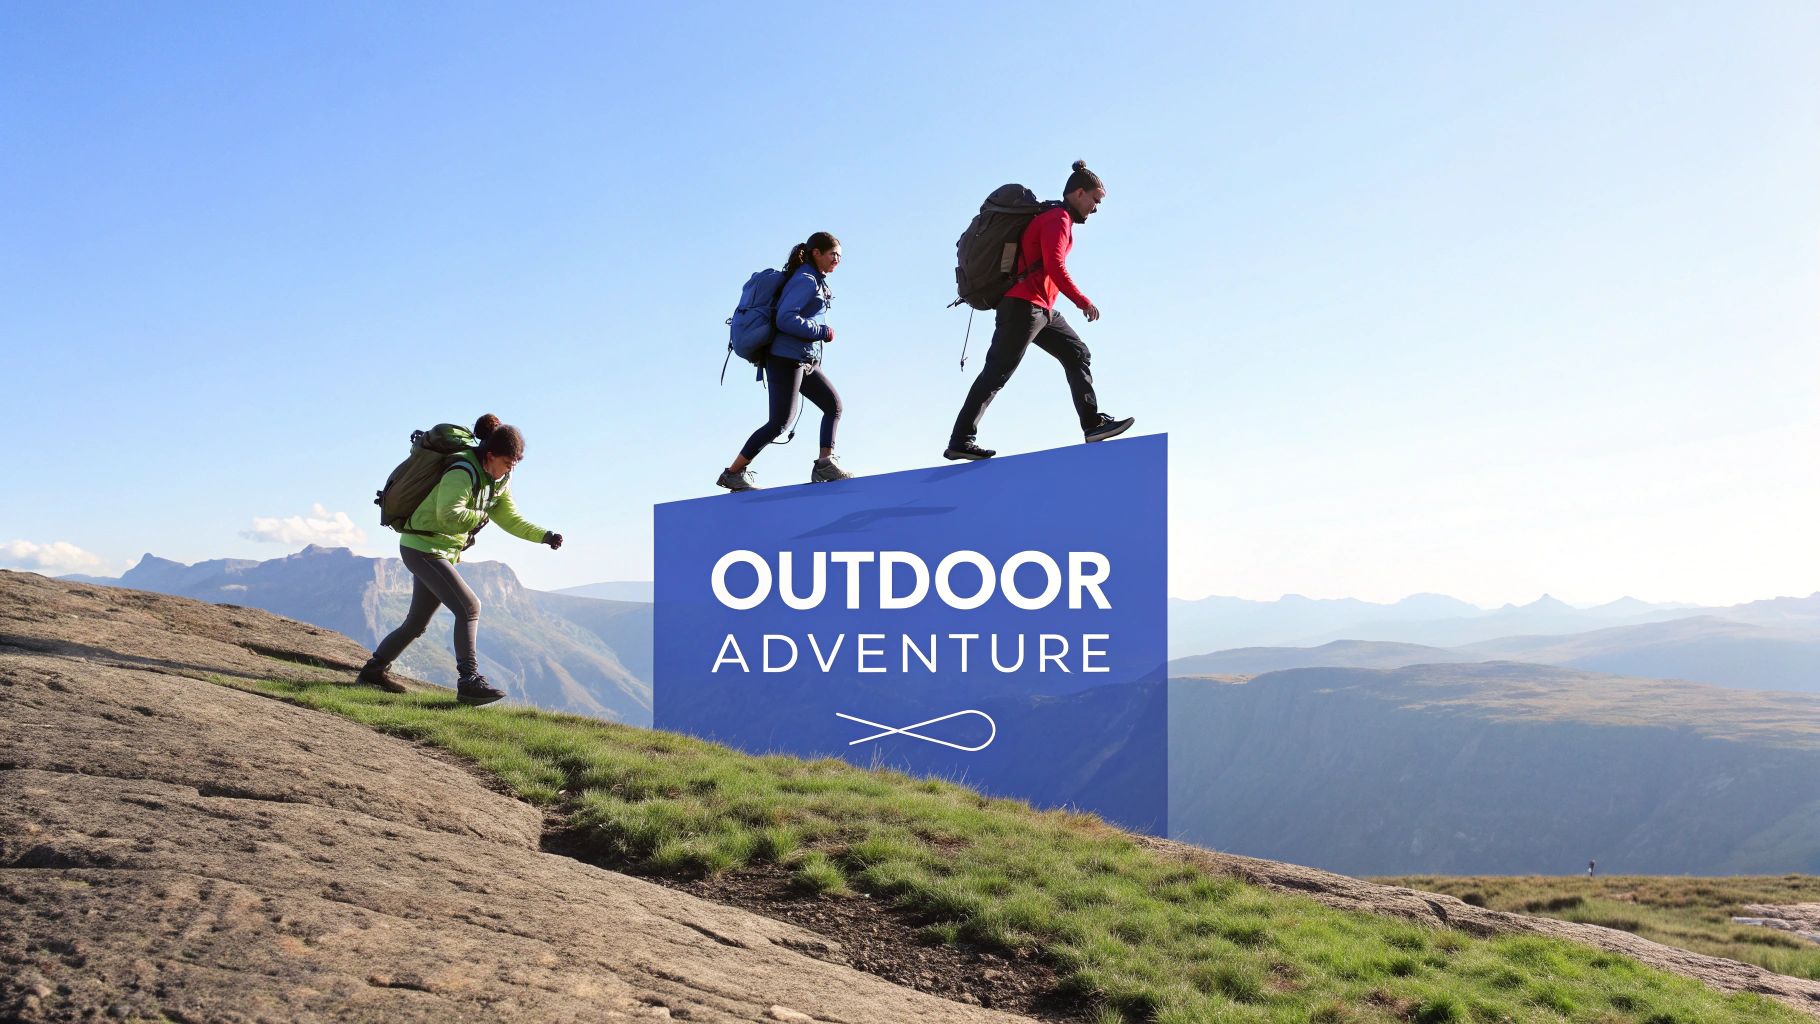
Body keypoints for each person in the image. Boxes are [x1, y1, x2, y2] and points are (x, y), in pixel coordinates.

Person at [358, 415, 563, 705]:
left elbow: (509, 518)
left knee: (416, 623)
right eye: (507, 463)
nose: (510, 470)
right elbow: (448, 515)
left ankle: (372, 672)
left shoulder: (498, 481)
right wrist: (482, 514)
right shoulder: (462, 471)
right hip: (422, 548)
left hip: (442, 551)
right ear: (490, 456)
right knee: (469, 607)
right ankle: (469, 680)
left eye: (514, 464)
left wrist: (544, 536)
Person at [945, 160, 1134, 461]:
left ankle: (1092, 425)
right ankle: (960, 440)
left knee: (1077, 353)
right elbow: (1054, 265)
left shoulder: (1058, 217)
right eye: (1095, 200)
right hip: (1023, 306)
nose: (1096, 208)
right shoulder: (1057, 218)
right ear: (1079, 193)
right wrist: (1083, 301)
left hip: (1042, 309)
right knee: (997, 372)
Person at [717, 232, 854, 491]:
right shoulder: (805, 280)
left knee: (833, 405)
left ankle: (825, 463)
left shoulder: (813, 279)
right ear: (816, 253)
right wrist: (822, 331)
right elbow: (785, 319)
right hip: (786, 358)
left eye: (839, 256)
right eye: (833, 254)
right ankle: (733, 473)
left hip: (804, 358)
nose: (837, 259)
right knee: (780, 422)